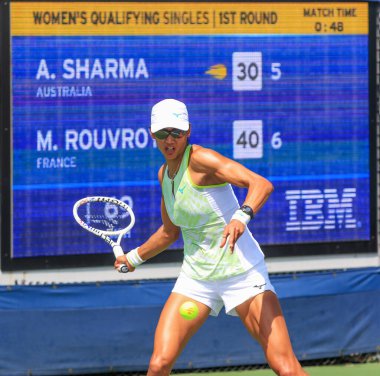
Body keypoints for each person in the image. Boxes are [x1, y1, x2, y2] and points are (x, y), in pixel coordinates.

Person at [115, 99, 308, 376]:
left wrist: (241, 217)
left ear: (188, 131)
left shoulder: (201, 160)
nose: (169, 140)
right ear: (152, 134)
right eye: (162, 134)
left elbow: (260, 184)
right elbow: (169, 233)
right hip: (196, 279)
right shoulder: (164, 175)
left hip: (242, 275)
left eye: (176, 133)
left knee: (286, 368)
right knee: (158, 365)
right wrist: (133, 258)